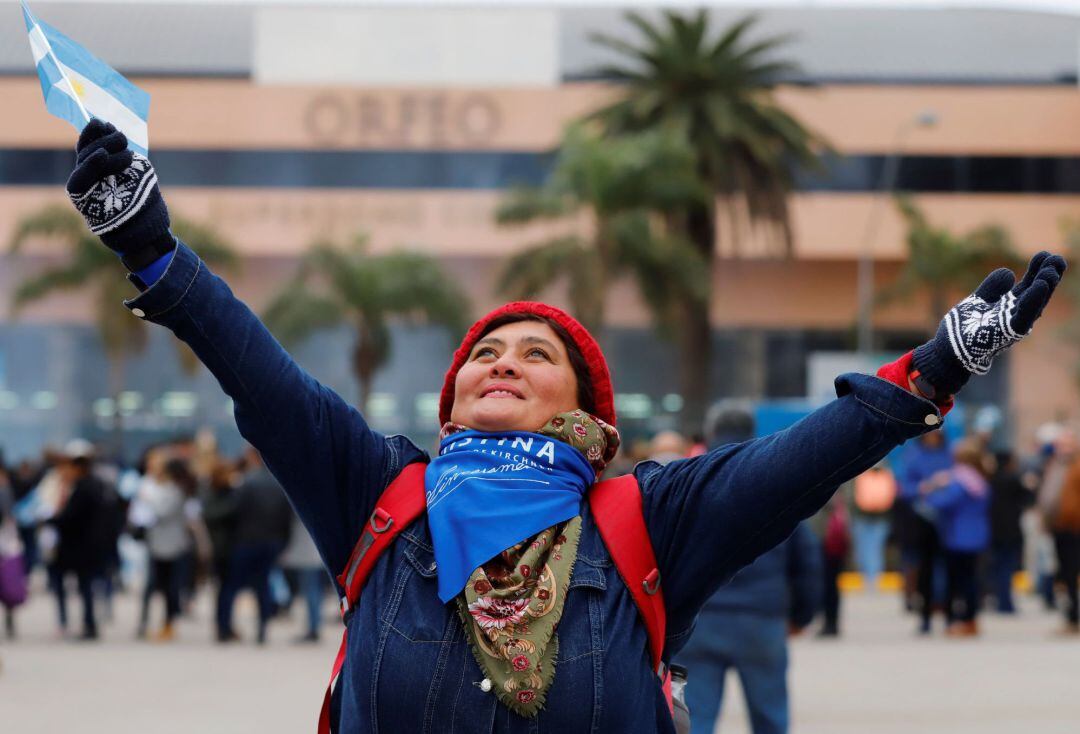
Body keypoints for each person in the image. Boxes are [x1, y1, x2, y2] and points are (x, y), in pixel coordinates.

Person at [59, 118, 1065, 732]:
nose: (502, 361)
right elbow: (261, 375)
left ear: (586, 410)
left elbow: (808, 457)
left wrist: (939, 366)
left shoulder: (648, 516)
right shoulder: (382, 492)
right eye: (483, 355)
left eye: (536, 355)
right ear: (450, 400)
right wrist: (152, 249)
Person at [675, 402, 821, 734]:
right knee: (770, 716)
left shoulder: (689, 479)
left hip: (700, 620)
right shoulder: (779, 480)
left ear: (711, 433)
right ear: (752, 432)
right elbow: (807, 560)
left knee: (696, 718)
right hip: (762, 620)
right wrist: (802, 615)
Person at [216, 447, 293, 644]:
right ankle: (262, 629)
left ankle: (224, 628)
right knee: (263, 585)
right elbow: (287, 517)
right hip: (271, 542)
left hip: (246, 541)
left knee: (232, 586)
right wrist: (283, 542)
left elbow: (233, 510)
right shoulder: (280, 483)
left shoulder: (246, 482)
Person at [920, 438, 992, 636]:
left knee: (958, 581)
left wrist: (929, 490)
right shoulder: (980, 479)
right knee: (971, 578)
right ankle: (971, 619)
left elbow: (941, 503)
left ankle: (963, 621)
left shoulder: (959, 480)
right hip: (977, 534)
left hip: (957, 536)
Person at [47, 440, 115, 641]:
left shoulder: (84, 488)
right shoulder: (97, 485)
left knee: (84, 586)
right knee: (87, 586)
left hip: (81, 546)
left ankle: (88, 624)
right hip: (91, 545)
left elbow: (71, 517)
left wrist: (51, 520)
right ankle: (87, 623)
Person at [897, 431, 954, 633]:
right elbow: (904, 489)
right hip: (921, 522)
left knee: (949, 571)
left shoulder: (950, 455)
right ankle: (925, 617)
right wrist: (927, 486)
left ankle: (949, 615)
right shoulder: (914, 456)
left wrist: (948, 483)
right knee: (924, 571)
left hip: (948, 520)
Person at [987, 450, 1034, 614]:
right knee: (1007, 567)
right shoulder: (1013, 479)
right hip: (1010, 530)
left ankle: (998, 599)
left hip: (993, 529)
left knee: (996, 566)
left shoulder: (990, 480)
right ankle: (1005, 603)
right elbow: (1029, 498)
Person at [1048, 440, 1080, 634]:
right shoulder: (1056, 468)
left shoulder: (1075, 470)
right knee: (1066, 572)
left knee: (1071, 570)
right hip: (1060, 527)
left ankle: (1074, 615)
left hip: (1073, 526)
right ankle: (1071, 614)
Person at [850, 463, 897, 591]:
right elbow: (857, 496)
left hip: (879, 518)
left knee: (875, 549)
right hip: (863, 517)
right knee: (864, 550)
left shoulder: (885, 475)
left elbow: (889, 496)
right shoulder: (862, 474)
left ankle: (873, 579)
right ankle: (868, 578)